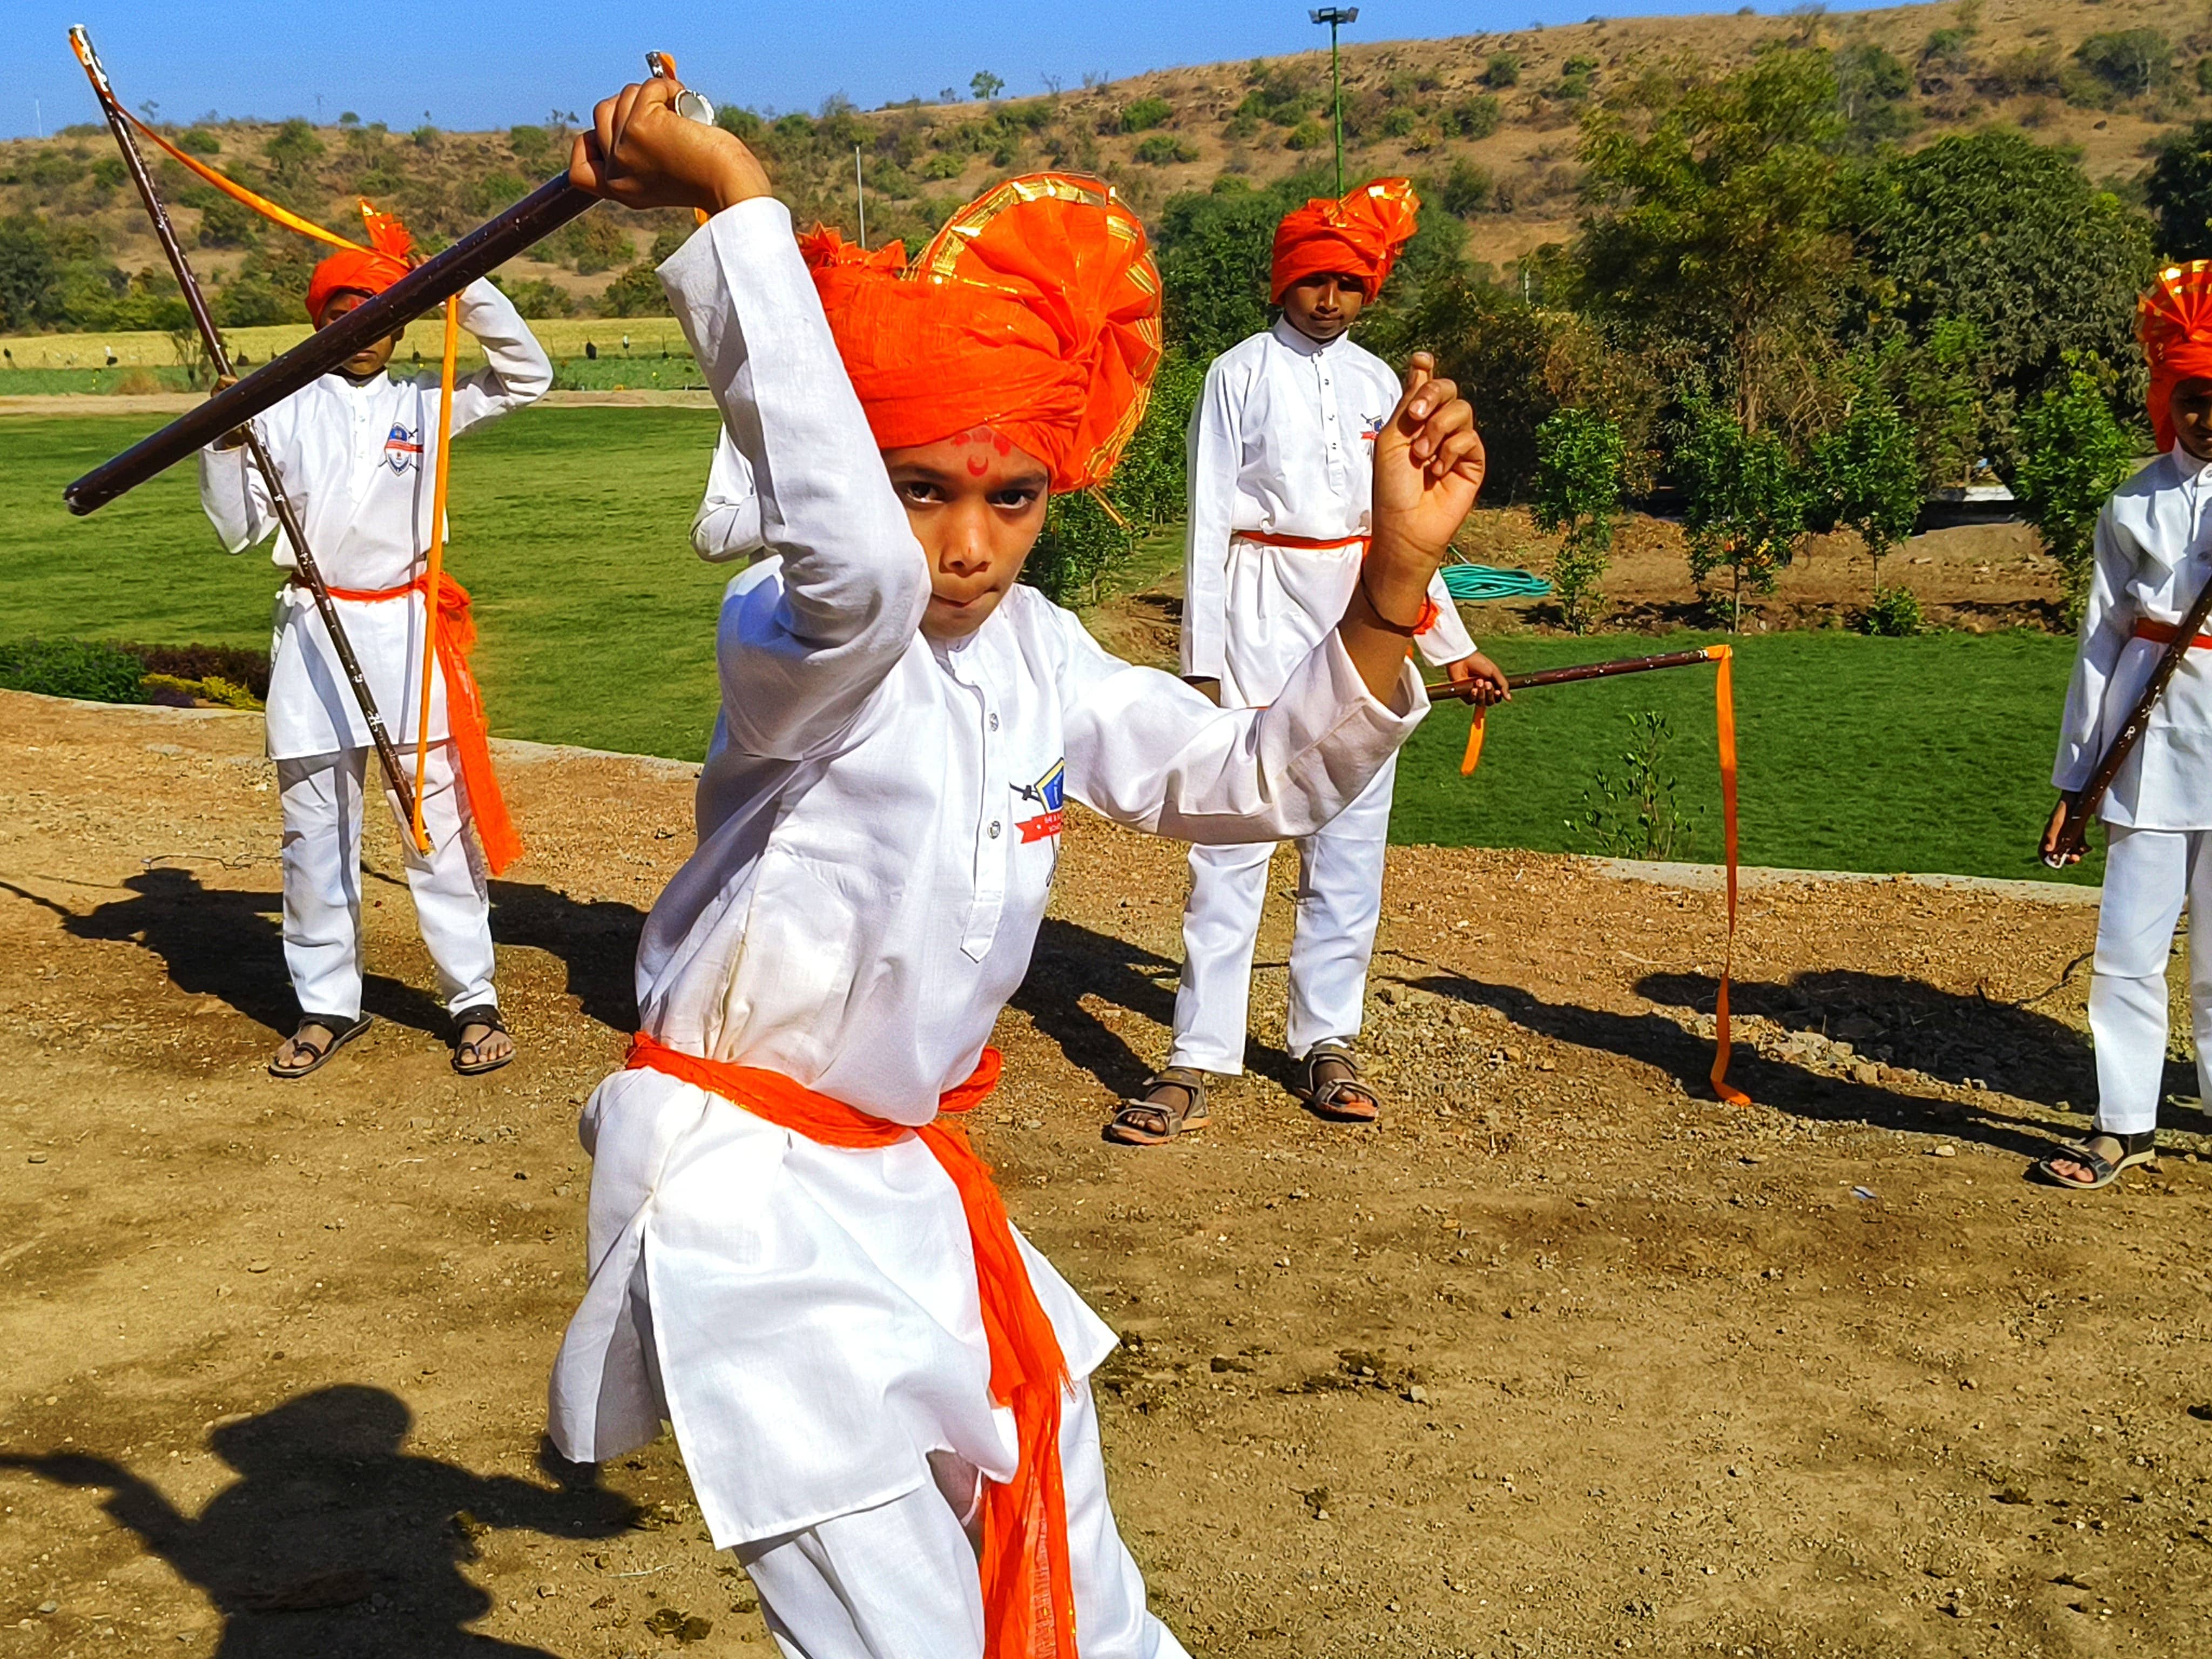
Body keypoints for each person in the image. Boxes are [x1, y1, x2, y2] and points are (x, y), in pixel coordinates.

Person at [545, 80, 1486, 1659]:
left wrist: (1393, 583)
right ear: (855, 477)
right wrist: (734, 199)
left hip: (901, 1181)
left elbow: (1248, 778)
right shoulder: (798, 642)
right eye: (920, 485)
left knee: (1071, 1536)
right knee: (896, 1629)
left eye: (1011, 494)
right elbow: (854, 566)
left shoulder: (1044, 656)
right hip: (740, 1197)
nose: (967, 545)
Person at [1110, 179, 1510, 1145]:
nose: (1330, 299)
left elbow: (1407, 535)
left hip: (1362, 607)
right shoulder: (1237, 373)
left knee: (1352, 834)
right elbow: (1208, 517)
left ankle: (1327, 1040)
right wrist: (1203, 662)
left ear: (1369, 290)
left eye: (1349, 283)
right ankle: (1199, 1052)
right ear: (1281, 282)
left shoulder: (1378, 384)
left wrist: (1454, 648)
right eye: (1313, 280)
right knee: (1233, 831)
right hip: (1258, 604)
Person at [198, 217, 550, 1079]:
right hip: (312, 634)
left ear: (401, 326)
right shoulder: (276, 408)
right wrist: (223, 438)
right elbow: (237, 530)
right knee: (315, 831)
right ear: (322, 324)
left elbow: (528, 376)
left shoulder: (427, 404)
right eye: (344, 317)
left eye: (382, 316)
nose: (363, 333)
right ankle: (326, 1003)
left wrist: (461, 285)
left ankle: (471, 999)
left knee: (433, 826)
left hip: (404, 636)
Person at [2036, 258, 2212, 1191]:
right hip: (2147, 743)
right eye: (2193, 398)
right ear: (2167, 400)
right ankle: (2124, 1122)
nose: (2208, 416)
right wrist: (2077, 776)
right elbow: (2101, 644)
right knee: (2129, 948)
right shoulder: (2132, 502)